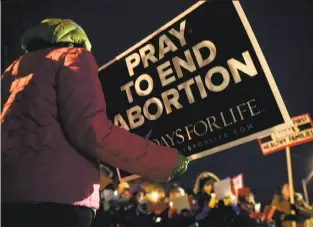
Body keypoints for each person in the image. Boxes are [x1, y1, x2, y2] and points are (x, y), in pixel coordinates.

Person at [1, 18, 189, 227]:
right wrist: (165, 162)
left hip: (7, 199)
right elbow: (93, 131)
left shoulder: (10, 72)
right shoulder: (73, 57)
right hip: (61, 200)